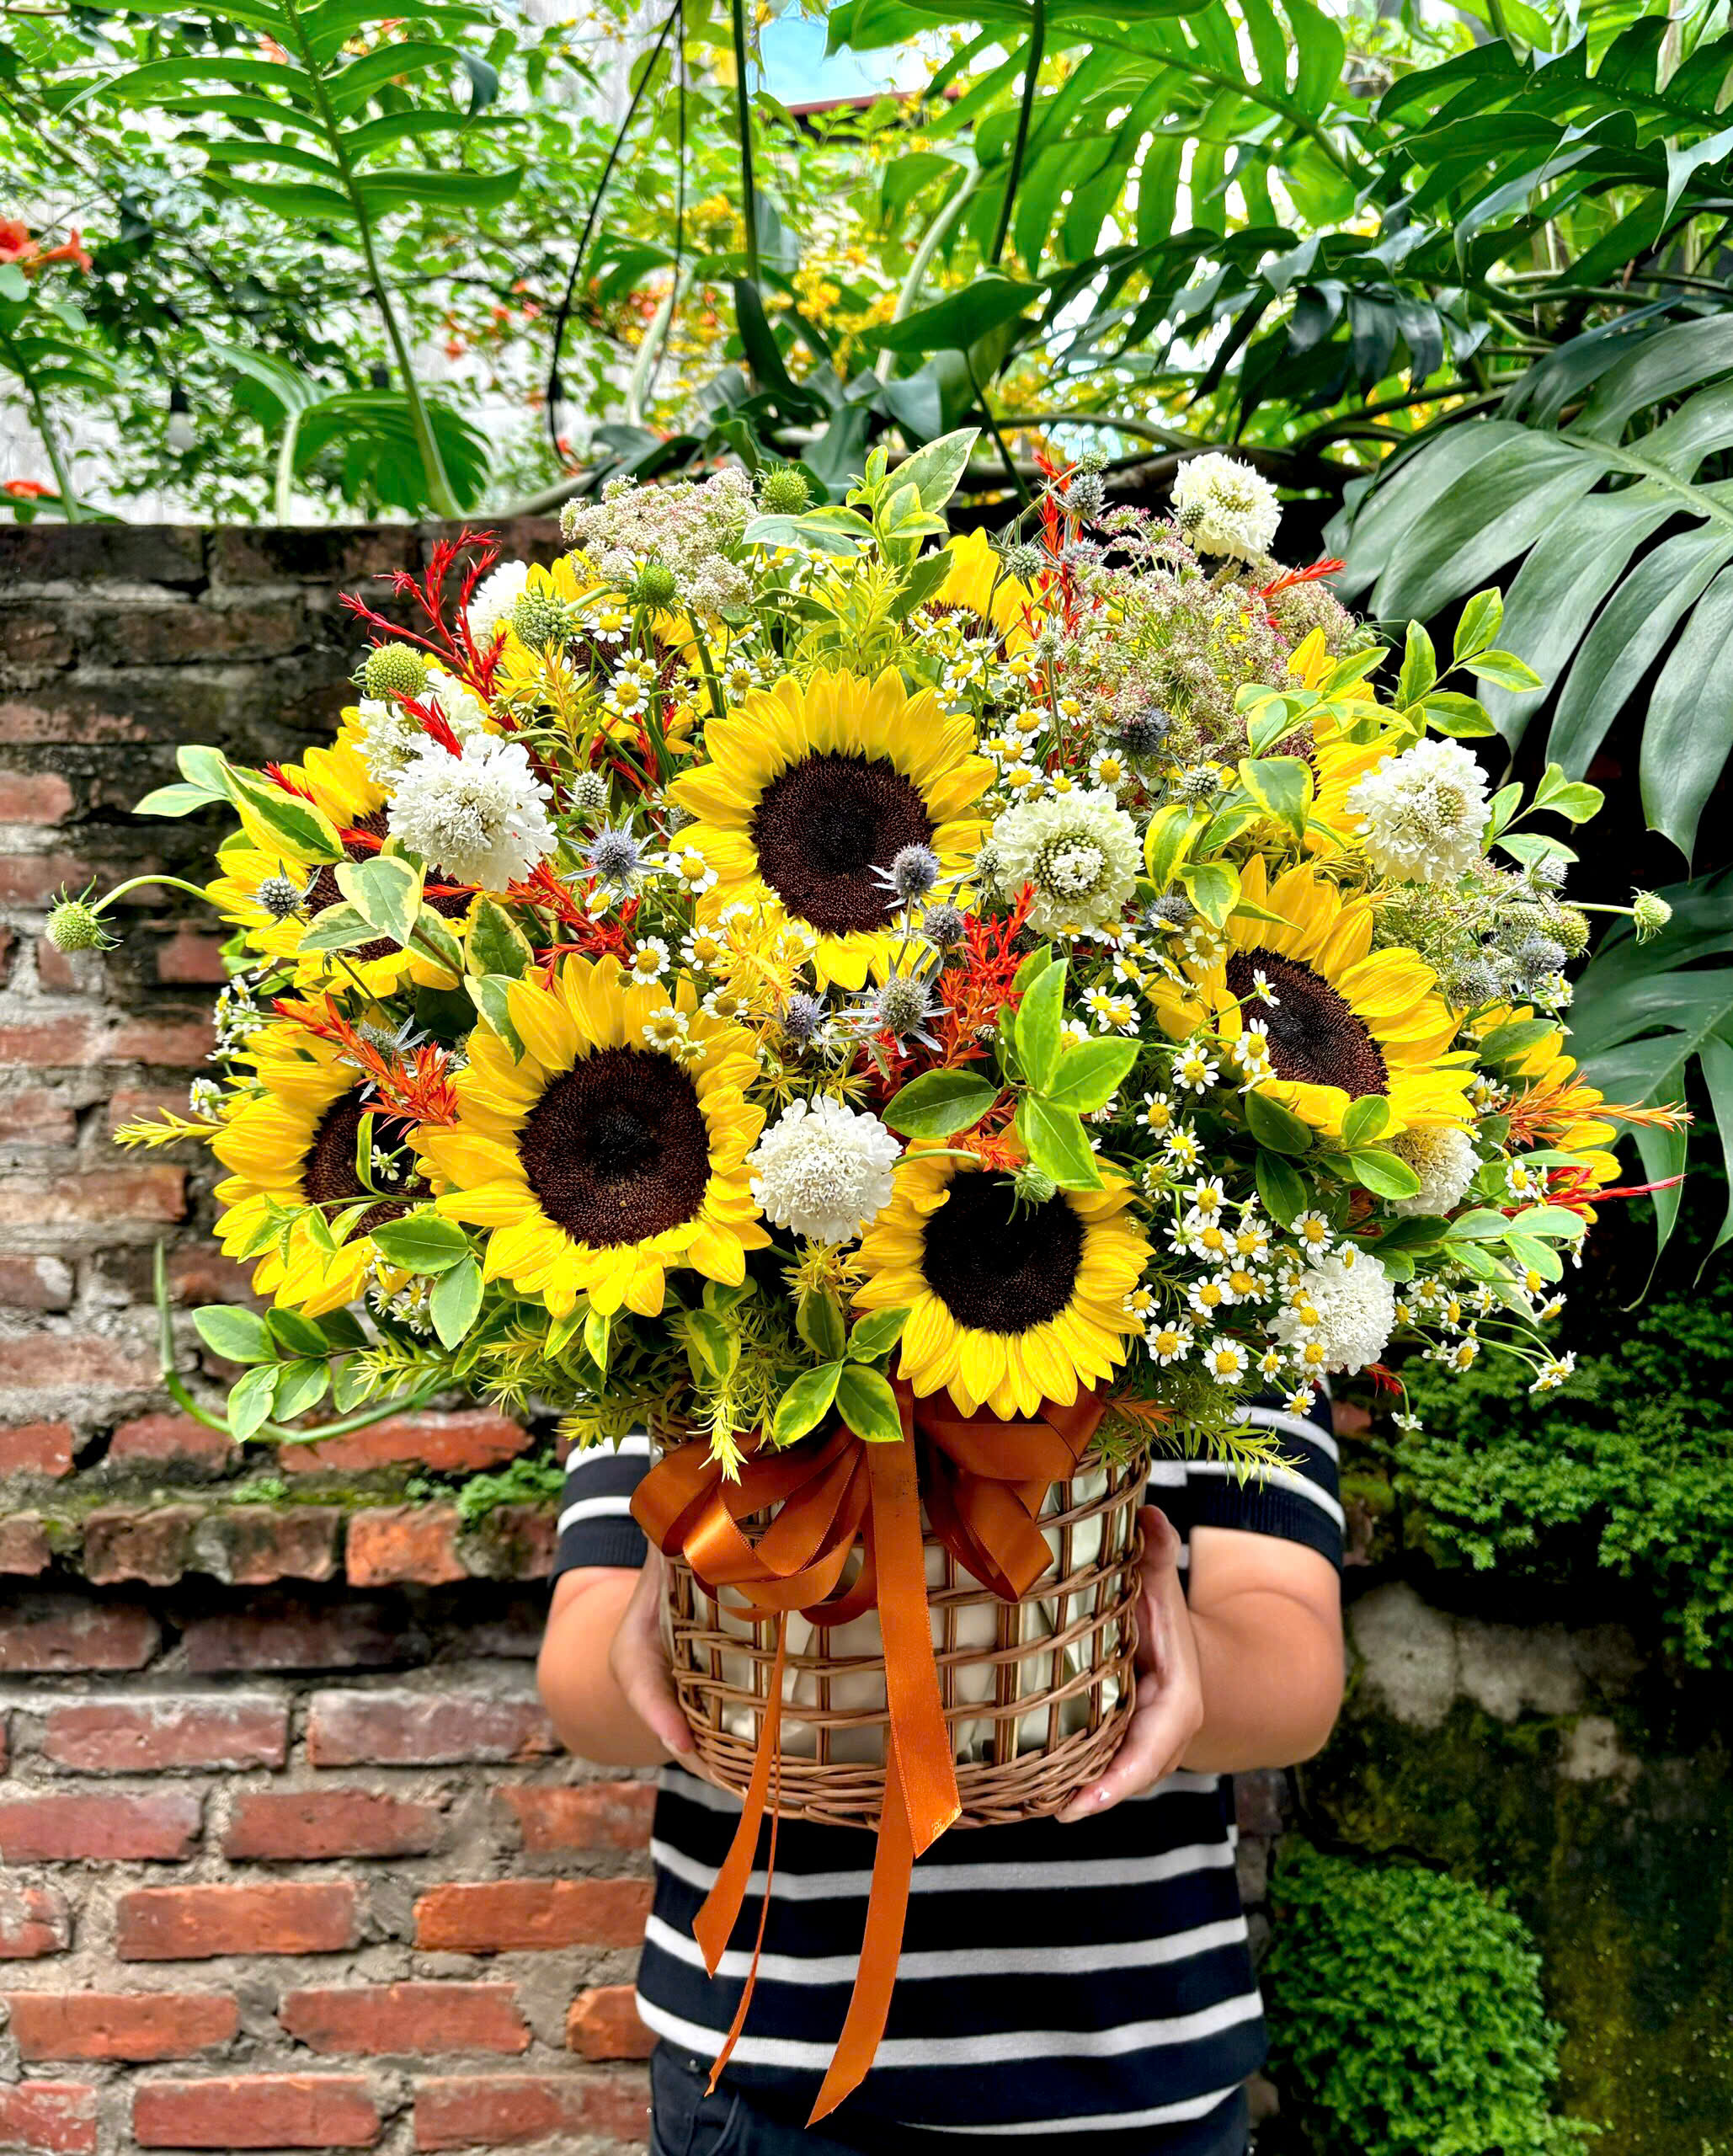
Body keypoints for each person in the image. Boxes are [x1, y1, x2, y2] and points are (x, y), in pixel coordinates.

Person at [538, 1395, 1344, 2156]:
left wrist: (1159, 1641)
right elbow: (585, 1696)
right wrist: (676, 1596)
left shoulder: (1237, 1294)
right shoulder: (658, 1273)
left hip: (1135, 2069)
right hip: (762, 2082)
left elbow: (1297, 1679)